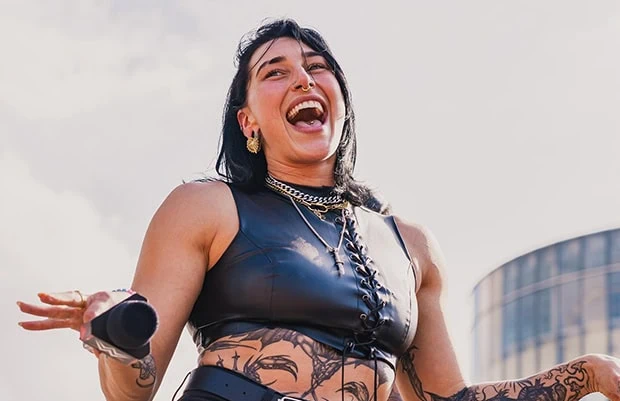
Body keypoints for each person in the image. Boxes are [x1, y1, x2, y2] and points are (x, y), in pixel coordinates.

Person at [16, 18, 620, 401]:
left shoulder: (411, 245)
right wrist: (119, 337)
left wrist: (587, 373)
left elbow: (448, 400)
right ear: (248, 122)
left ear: (340, 102)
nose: (303, 79)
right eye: (275, 73)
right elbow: (132, 392)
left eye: (317, 68)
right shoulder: (205, 207)